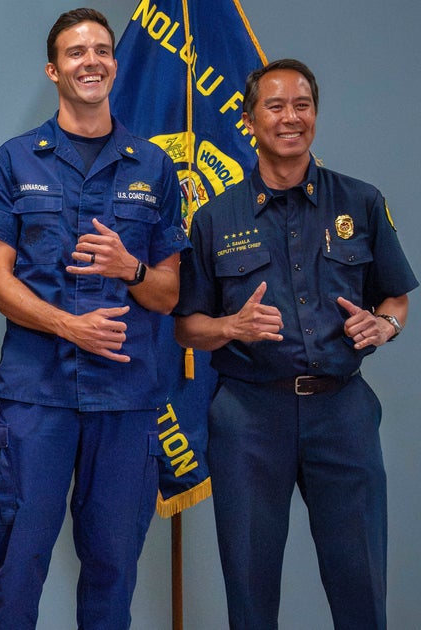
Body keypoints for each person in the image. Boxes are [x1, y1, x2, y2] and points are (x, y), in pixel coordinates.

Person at [174, 58, 416, 629]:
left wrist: (385, 327)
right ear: (251, 120)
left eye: (302, 106)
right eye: (276, 107)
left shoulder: (361, 202)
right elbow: (186, 326)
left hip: (342, 411)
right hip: (250, 417)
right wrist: (230, 327)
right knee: (250, 585)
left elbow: (395, 300)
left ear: (315, 115)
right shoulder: (214, 217)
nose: (291, 118)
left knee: (360, 579)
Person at [0, 8, 188, 629]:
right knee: (18, 568)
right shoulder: (13, 161)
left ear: (115, 65)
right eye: (74, 52)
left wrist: (132, 269)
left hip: (125, 399)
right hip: (38, 396)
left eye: (100, 50)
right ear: (53, 69)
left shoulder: (153, 166)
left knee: (113, 571)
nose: (90, 61)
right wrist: (70, 327)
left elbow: (170, 294)